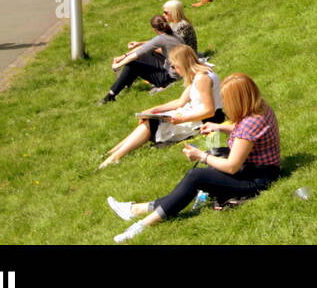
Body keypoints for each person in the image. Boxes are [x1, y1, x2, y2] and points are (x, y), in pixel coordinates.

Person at [106, 73, 281, 243]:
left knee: (196, 176)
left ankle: (141, 225)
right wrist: (218, 127)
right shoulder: (260, 107)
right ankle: (137, 209)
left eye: (227, 100)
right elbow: (243, 132)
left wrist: (201, 156)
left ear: (238, 100)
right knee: (212, 159)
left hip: (256, 180)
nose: (225, 104)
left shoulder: (250, 123)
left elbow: (231, 166)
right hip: (258, 170)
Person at [100, 45, 223, 169]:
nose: (174, 70)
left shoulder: (202, 78)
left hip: (204, 121)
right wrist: (153, 110)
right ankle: (113, 152)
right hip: (196, 114)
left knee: (151, 124)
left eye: (173, 66)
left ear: (181, 64)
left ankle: (115, 157)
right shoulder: (199, 73)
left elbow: (209, 111)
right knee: (150, 119)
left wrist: (182, 119)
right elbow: (180, 102)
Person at [102, 15, 183, 103]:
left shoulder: (161, 39)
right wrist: (124, 56)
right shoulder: (174, 33)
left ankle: (111, 95)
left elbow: (136, 54)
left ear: (153, 29)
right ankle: (126, 82)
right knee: (144, 55)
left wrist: (118, 65)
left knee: (132, 65)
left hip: (170, 78)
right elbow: (146, 47)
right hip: (178, 70)